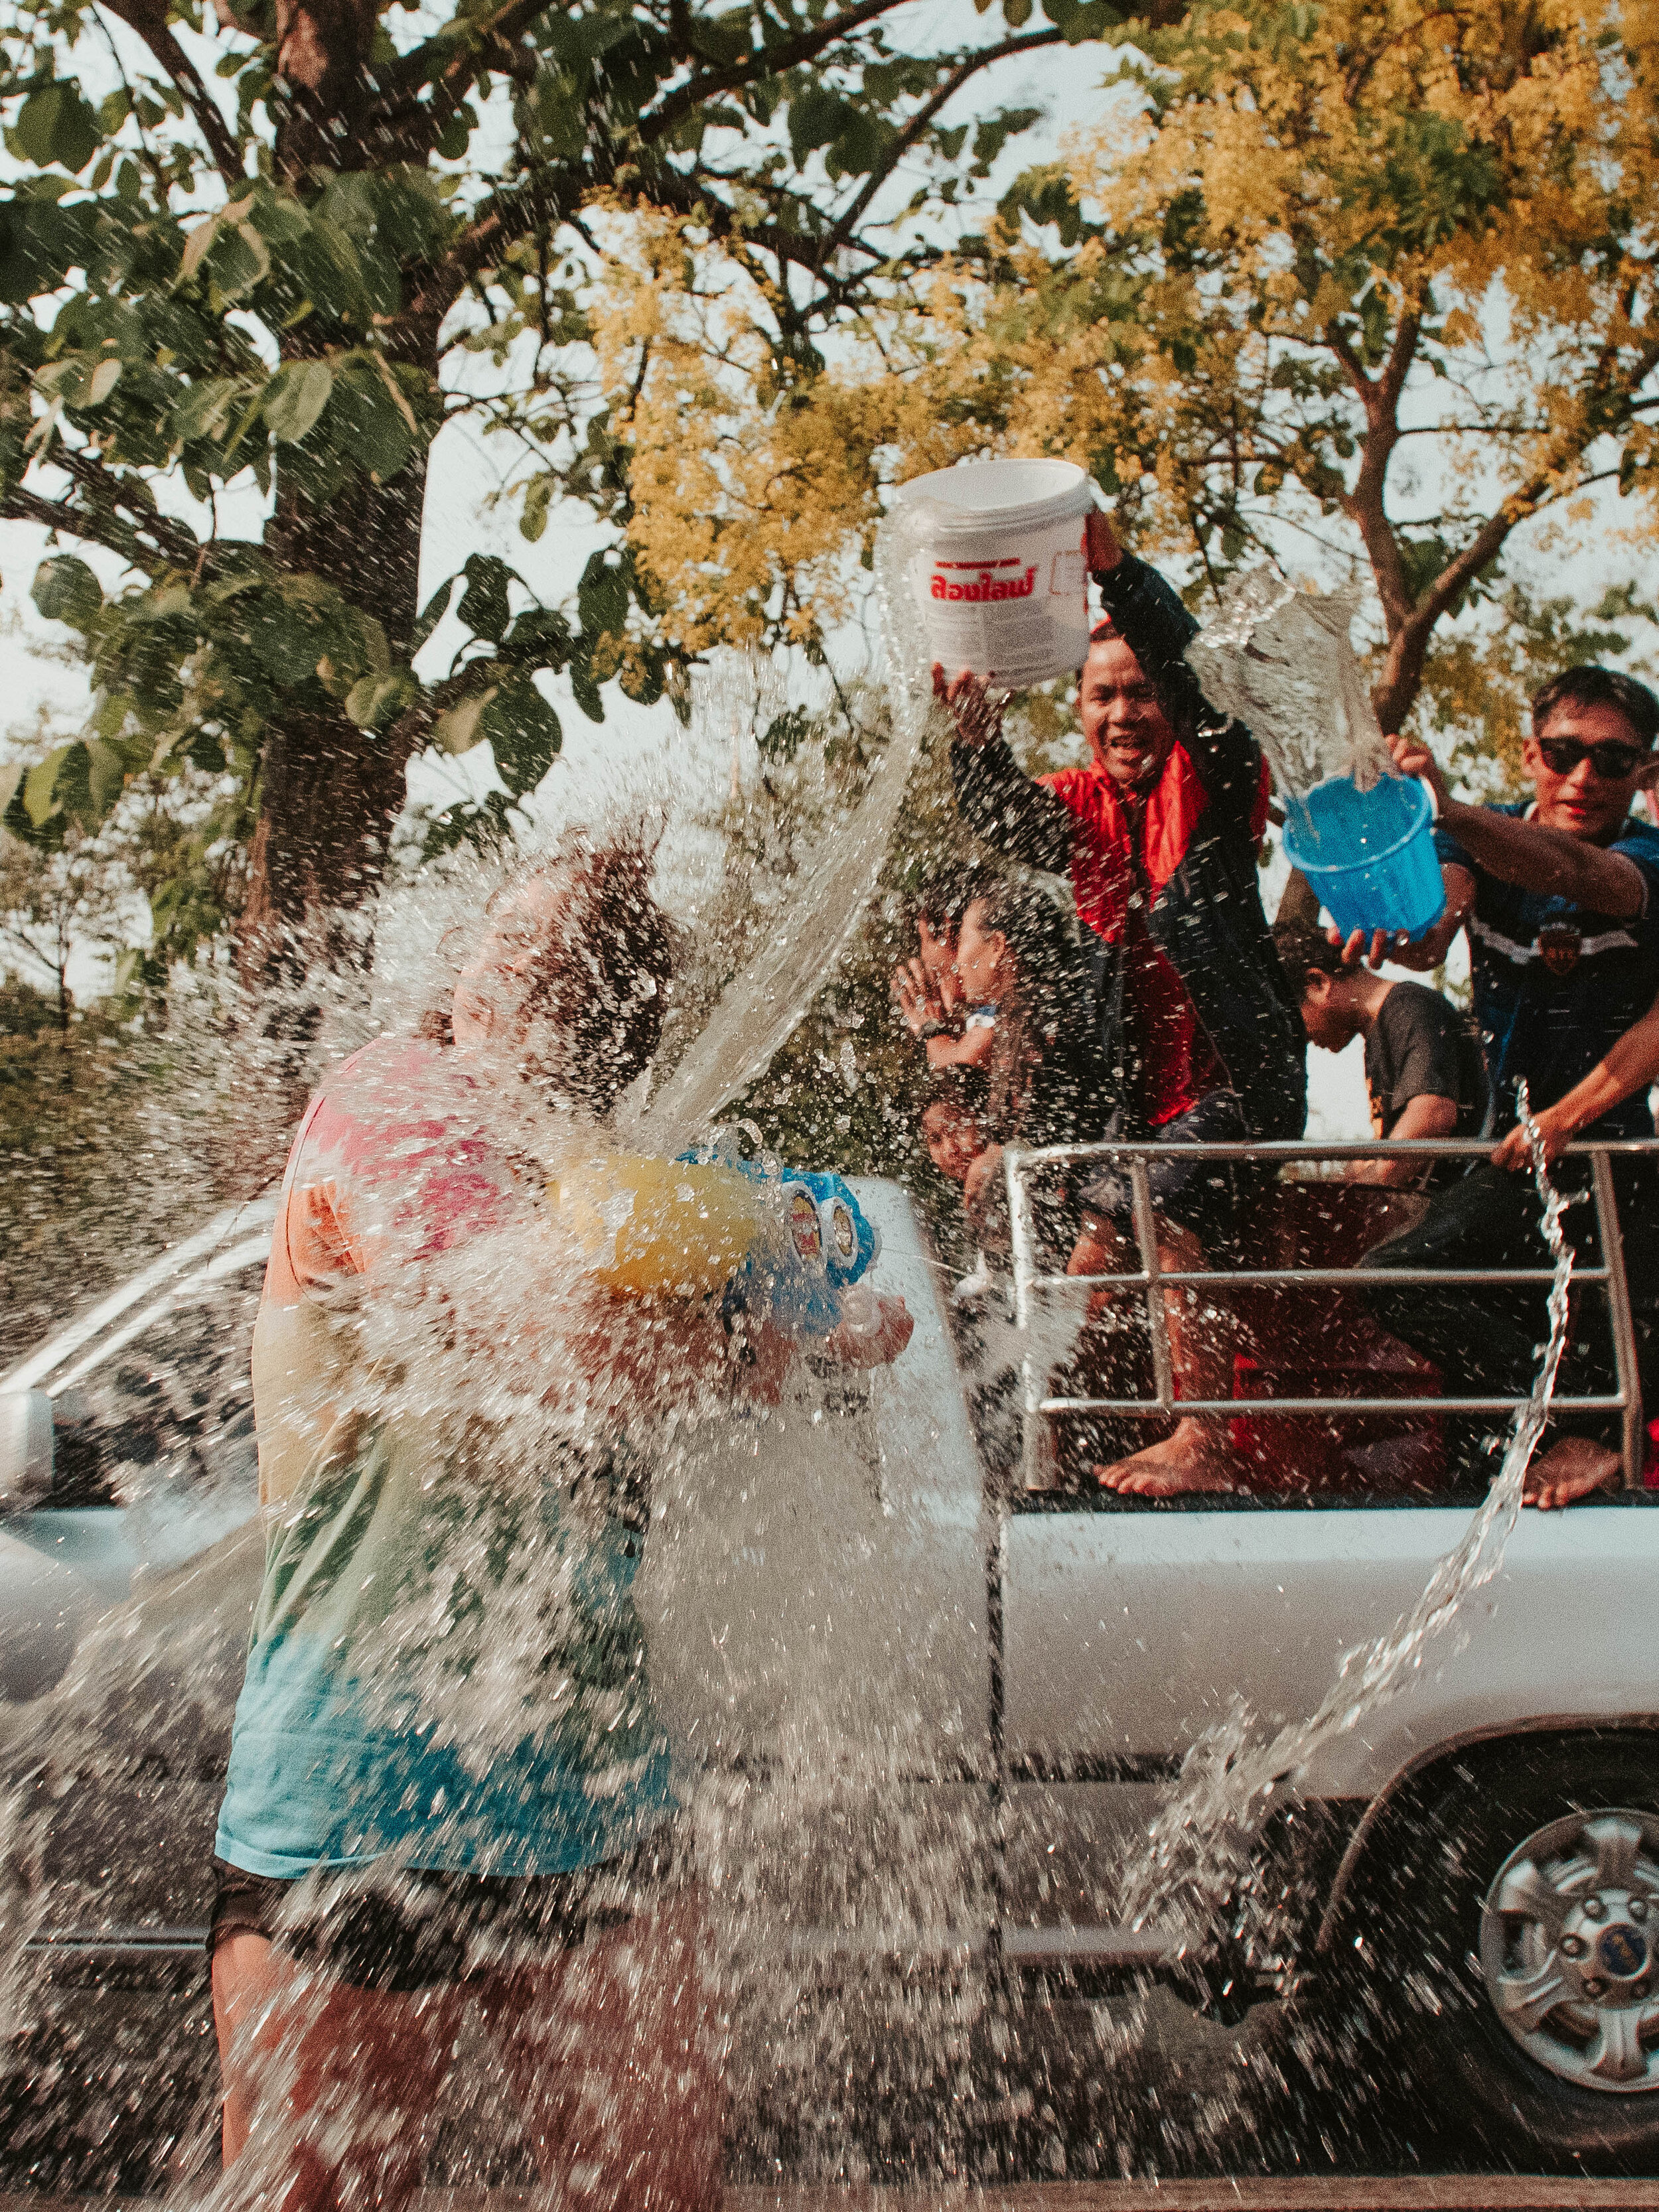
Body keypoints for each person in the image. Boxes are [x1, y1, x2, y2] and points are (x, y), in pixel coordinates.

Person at [209, 840, 914, 2212]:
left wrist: (797, 1271)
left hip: (591, 1789)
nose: (527, 956)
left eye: (569, 941)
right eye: (510, 928)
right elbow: (558, 1343)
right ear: (466, 974)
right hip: (356, 1796)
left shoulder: (609, 1175)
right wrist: (744, 1316)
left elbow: (868, 1330)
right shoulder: (390, 1101)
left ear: (613, 1011)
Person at [936, 510, 1306, 1495]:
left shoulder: (1216, 776)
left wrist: (1121, 576)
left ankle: (1208, 1439)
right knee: (1067, 1269)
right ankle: (1032, 1452)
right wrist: (974, 737)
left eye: (1141, 692)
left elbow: (1204, 689)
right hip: (1145, 1115)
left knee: (1149, 1190)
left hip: (1242, 1094)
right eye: (1103, 696)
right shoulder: (1085, 807)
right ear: (1082, 709)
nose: (1125, 713)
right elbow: (996, 811)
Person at [1349, 667, 1659, 1509]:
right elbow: (1429, 933)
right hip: (1514, 1154)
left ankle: (1588, 1428)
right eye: (1562, 753)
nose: (1583, 778)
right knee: (1394, 1278)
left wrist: (1445, 808)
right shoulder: (1474, 842)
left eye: (1613, 761)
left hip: (1611, 1163)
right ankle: (1554, 1427)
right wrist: (1386, 897)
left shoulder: (1647, 857)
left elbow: (1577, 874)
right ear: (1529, 754)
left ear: (1643, 773)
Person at [1273, 922, 1489, 1188]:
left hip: (1467, 1196)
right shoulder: (1380, 1031)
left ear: (1319, 983)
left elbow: (1433, 1113)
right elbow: (1392, 1143)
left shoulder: (1408, 1007)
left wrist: (1368, 1193)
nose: (1303, 1038)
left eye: (1295, 1023)